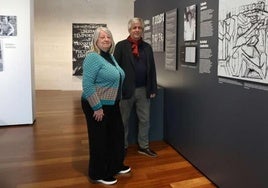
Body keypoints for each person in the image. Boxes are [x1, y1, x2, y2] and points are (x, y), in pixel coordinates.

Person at [81, 26, 130, 185]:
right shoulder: (92, 57)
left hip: (113, 104)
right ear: (96, 40)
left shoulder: (110, 57)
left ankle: (115, 166)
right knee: (99, 140)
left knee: (116, 136)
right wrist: (97, 107)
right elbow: (87, 85)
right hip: (96, 104)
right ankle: (98, 173)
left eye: (108, 36)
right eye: (102, 37)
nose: (106, 39)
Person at [114, 17, 158, 158]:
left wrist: (152, 89)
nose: (137, 30)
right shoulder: (121, 46)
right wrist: (117, 90)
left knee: (145, 120)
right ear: (129, 30)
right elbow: (115, 70)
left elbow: (152, 70)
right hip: (126, 91)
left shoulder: (147, 48)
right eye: (134, 27)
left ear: (142, 30)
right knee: (123, 120)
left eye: (139, 27)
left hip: (144, 90)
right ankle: (122, 146)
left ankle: (143, 146)